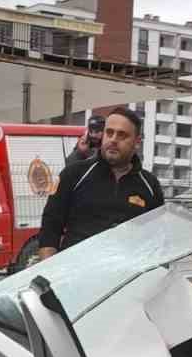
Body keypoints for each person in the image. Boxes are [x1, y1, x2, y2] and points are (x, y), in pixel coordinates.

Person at [36, 106, 164, 256]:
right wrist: (50, 271)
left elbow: (157, 238)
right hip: (76, 272)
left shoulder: (150, 185)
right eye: (109, 133)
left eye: (122, 135)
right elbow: (50, 226)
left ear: (137, 142)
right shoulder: (74, 174)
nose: (113, 139)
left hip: (126, 275)